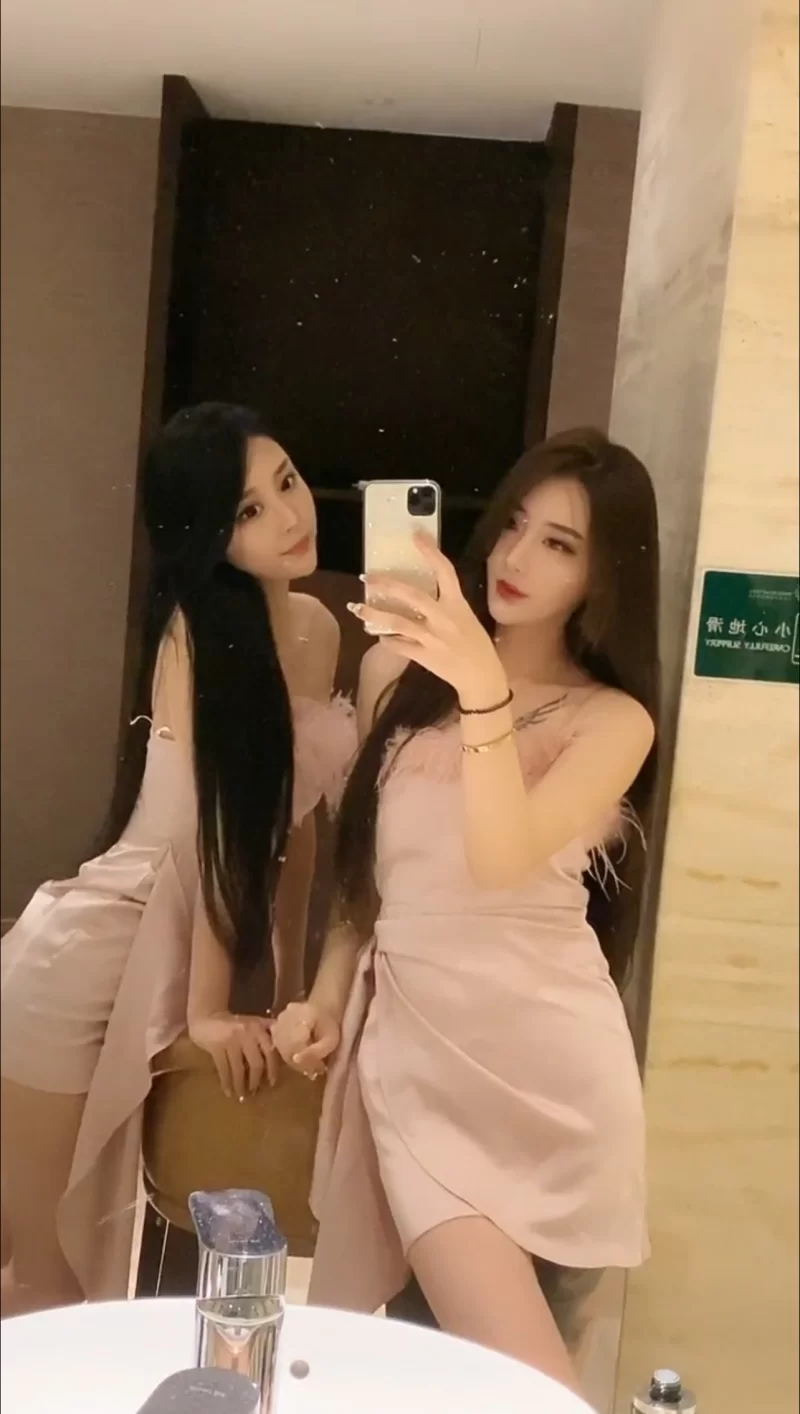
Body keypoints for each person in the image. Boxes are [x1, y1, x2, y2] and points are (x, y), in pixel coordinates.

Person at [272, 428, 660, 1394]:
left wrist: (484, 688)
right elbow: (370, 880)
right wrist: (325, 997)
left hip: (553, 1075)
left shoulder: (613, 720)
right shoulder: (391, 677)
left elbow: (501, 857)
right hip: (419, 1057)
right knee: (485, 1379)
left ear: (606, 573)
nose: (515, 557)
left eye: (559, 544)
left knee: (508, 1386)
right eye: (514, 524)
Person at [0, 403, 355, 1316]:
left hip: (182, 936)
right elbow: (215, 836)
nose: (289, 514)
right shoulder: (198, 636)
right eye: (248, 511)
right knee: (45, 1274)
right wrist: (207, 1009)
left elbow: (293, 833)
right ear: (208, 537)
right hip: (91, 955)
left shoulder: (317, 630)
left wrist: (287, 988)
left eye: (286, 482)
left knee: (91, 1275)